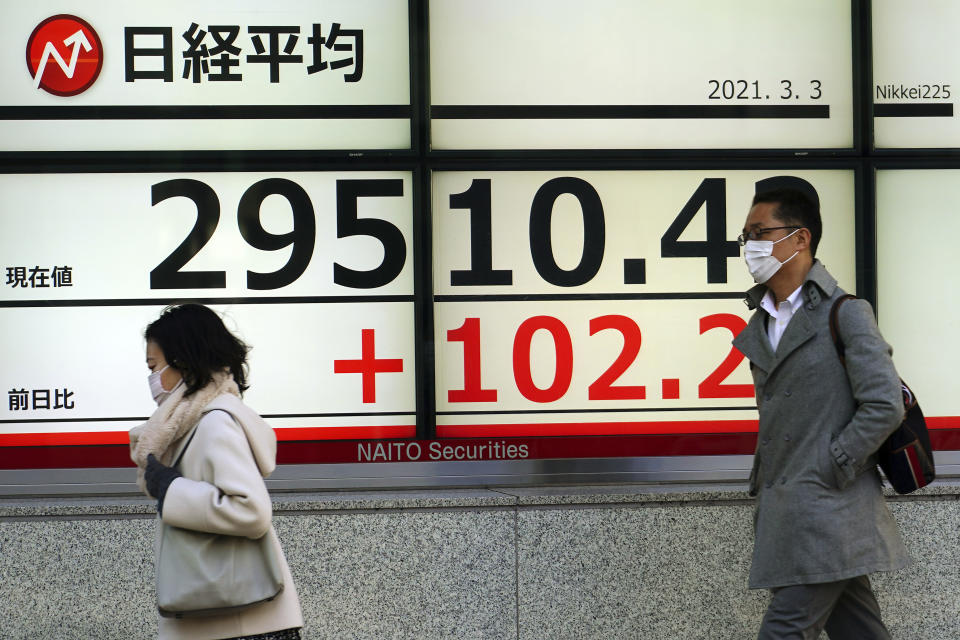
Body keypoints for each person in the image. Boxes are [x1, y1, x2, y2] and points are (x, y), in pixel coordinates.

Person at [731, 188, 910, 639]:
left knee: (785, 631)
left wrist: (833, 464)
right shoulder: (764, 321)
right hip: (794, 512)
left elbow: (884, 402)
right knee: (859, 631)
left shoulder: (845, 313)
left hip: (827, 510)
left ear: (799, 239)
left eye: (760, 233)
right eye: (745, 236)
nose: (750, 246)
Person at [129, 304, 303, 640]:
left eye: (154, 366)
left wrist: (172, 490)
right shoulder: (189, 424)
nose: (152, 379)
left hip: (240, 624)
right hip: (226, 616)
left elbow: (251, 510)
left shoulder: (214, 423)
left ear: (182, 362)